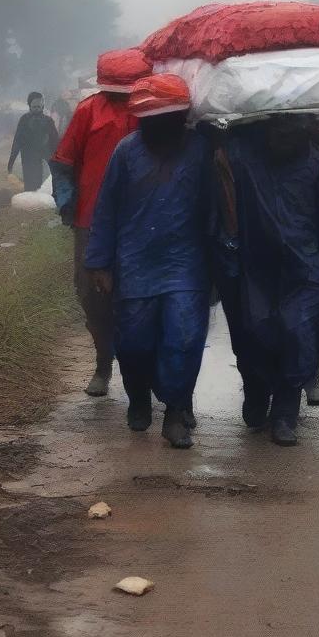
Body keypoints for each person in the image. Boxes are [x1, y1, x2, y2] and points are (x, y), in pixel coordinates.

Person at [85, 74, 212, 450]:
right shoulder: (126, 152)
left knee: (185, 338)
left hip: (185, 263)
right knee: (135, 342)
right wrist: (100, 263)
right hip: (135, 260)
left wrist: (221, 262)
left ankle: (175, 412)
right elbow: (105, 209)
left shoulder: (200, 150)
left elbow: (216, 208)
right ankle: (139, 396)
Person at [215, 116, 319, 447]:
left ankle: (286, 412)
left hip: (303, 266)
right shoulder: (241, 156)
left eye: (292, 131)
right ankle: (256, 392)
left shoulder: (314, 162)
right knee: (255, 334)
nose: (284, 137)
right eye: (278, 131)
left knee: (297, 334)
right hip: (254, 266)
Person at [50, 49, 149, 396]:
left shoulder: (149, 111)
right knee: (92, 295)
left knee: (141, 295)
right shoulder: (88, 111)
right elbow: (64, 160)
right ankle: (103, 363)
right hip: (91, 219)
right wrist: (66, 200)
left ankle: (143, 367)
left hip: (142, 220)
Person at [8, 92, 59, 191]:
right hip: (28, 156)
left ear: (43, 105)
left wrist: (57, 158)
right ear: (29, 106)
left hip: (44, 156)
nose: (37, 108)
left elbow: (55, 140)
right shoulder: (24, 120)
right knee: (30, 183)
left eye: (39, 106)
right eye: (34, 106)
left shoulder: (48, 121)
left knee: (43, 183)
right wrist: (11, 161)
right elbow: (17, 140)